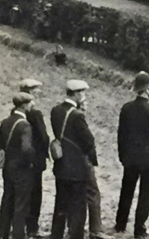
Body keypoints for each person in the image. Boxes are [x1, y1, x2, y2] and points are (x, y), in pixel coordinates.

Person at [115, 72, 149, 238]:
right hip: (147, 159)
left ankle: (120, 222)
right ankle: (139, 228)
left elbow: (121, 135)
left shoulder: (126, 108)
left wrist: (122, 155)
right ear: (147, 89)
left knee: (126, 190)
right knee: (145, 194)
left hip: (130, 157)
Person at [50, 79, 97, 239]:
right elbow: (89, 141)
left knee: (60, 205)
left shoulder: (55, 110)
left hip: (61, 165)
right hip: (76, 168)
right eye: (82, 93)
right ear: (76, 94)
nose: (83, 96)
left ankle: (56, 234)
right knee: (78, 207)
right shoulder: (77, 115)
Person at [0, 92, 37, 239]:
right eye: (30, 103)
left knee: (7, 200)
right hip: (22, 169)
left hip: (8, 166)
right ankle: (18, 235)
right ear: (25, 105)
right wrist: (29, 162)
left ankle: (3, 234)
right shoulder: (25, 125)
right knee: (21, 205)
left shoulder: (5, 121)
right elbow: (26, 149)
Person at [20, 78, 52, 237]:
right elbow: (43, 137)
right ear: (30, 92)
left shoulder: (19, 111)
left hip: (22, 160)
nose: (38, 92)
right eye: (36, 90)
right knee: (35, 194)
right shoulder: (35, 113)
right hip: (35, 159)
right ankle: (32, 227)